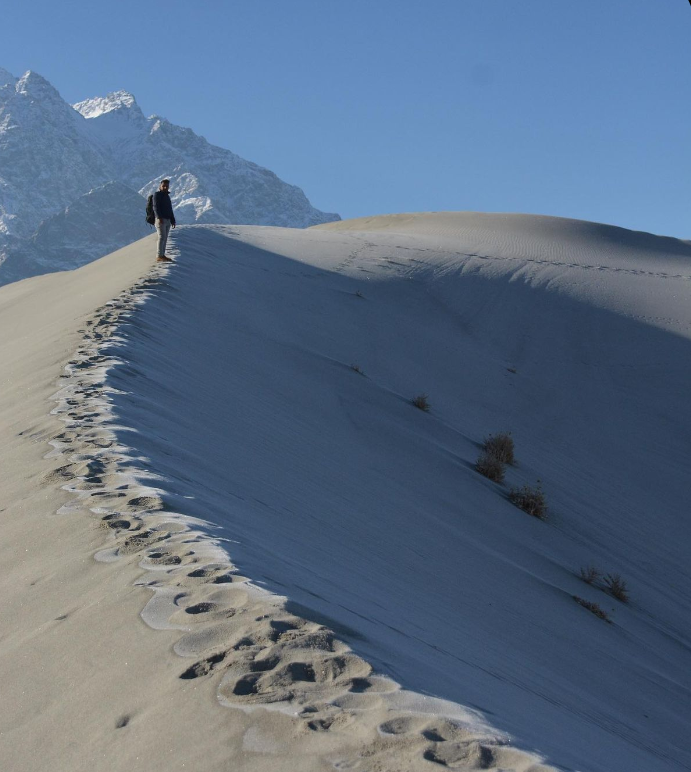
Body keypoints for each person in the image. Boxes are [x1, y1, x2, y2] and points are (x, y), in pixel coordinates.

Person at [153, 179, 176, 261]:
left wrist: (173, 220)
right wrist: (159, 218)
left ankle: (162, 255)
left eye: (167, 186)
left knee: (165, 238)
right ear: (160, 186)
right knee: (161, 237)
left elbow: (170, 209)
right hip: (161, 220)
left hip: (168, 220)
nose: (165, 187)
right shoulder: (157, 195)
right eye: (163, 186)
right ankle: (159, 255)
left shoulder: (167, 196)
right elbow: (155, 207)